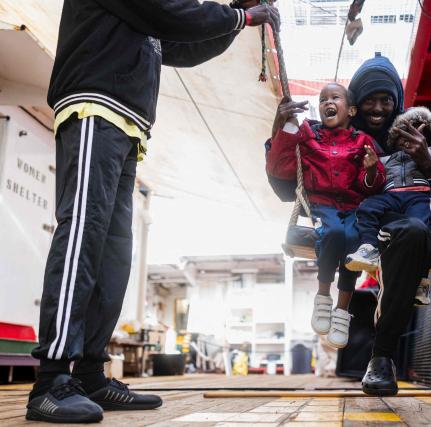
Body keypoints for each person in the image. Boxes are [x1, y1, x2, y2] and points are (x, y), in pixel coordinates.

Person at [27, 0, 280, 423]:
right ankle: (51, 379)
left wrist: (235, 17)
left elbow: (179, 44)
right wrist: (242, 16)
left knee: (112, 257)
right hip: (95, 105)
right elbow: (172, 15)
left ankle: (89, 373)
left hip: (127, 123)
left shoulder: (142, 16)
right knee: (82, 238)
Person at [267, 53, 431, 396]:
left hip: (424, 211)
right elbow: (287, 183)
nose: (378, 108)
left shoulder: (414, 131)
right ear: (355, 104)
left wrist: (429, 162)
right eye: (369, 100)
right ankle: (381, 357)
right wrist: (279, 130)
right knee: (408, 235)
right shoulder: (341, 138)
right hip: (378, 219)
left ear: (397, 102)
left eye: (386, 100)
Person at [266, 83, 385, 349]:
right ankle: (322, 297)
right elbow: (279, 167)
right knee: (332, 233)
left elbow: (372, 187)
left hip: (354, 207)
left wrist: (370, 170)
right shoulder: (308, 137)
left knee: (353, 241)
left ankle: (342, 311)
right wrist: (284, 128)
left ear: (351, 110)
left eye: (334, 98)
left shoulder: (362, 142)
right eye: (322, 100)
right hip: (322, 205)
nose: (327, 103)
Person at [345, 106, 431, 273]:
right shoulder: (387, 157)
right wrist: (369, 167)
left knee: (419, 228)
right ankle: (368, 246)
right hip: (391, 196)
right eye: (403, 135)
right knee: (367, 207)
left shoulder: (430, 154)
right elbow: (373, 175)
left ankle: (420, 275)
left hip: (418, 196)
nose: (409, 140)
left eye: (419, 136)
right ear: (395, 138)